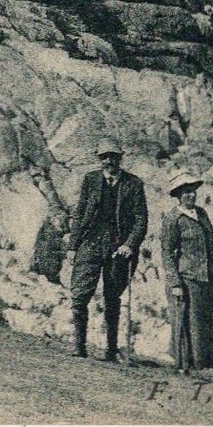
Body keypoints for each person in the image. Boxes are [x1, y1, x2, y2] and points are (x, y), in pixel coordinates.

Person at [66, 138, 148, 360]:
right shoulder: (90, 180)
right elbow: (80, 213)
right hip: (90, 243)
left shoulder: (134, 183)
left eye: (113, 156)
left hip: (118, 247)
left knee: (112, 297)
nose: (109, 161)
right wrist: (73, 246)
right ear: (100, 159)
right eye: (104, 157)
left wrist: (129, 245)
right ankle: (79, 346)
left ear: (120, 158)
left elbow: (141, 220)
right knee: (80, 294)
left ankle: (110, 350)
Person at [160, 172, 213, 381]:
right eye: (186, 192)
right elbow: (167, 253)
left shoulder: (202, 213)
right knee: (189, 323)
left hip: (208, 278)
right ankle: (185, 366)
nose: (191, 196)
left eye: (193, 191)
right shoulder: (173, 219)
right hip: (187, 278)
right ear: (178, 195)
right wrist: (174, 282)